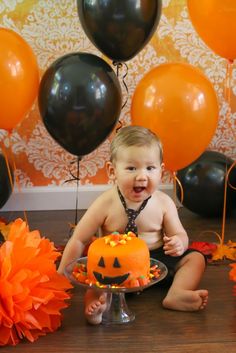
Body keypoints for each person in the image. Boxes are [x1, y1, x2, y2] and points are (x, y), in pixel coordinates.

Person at [58, 125, 208, 324]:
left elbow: (179, 233)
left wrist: (178, 242)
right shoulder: (105, 203)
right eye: (131, 168)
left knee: (195, 258)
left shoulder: (163, 202)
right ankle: (97, 307)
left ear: (161, 172)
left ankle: (178, 293)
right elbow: (79, 239)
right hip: (117, 266)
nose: (141, 176)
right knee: (95, 278)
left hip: (156, 261)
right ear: (112, 171)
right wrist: (60, 275)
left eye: (150, 168)